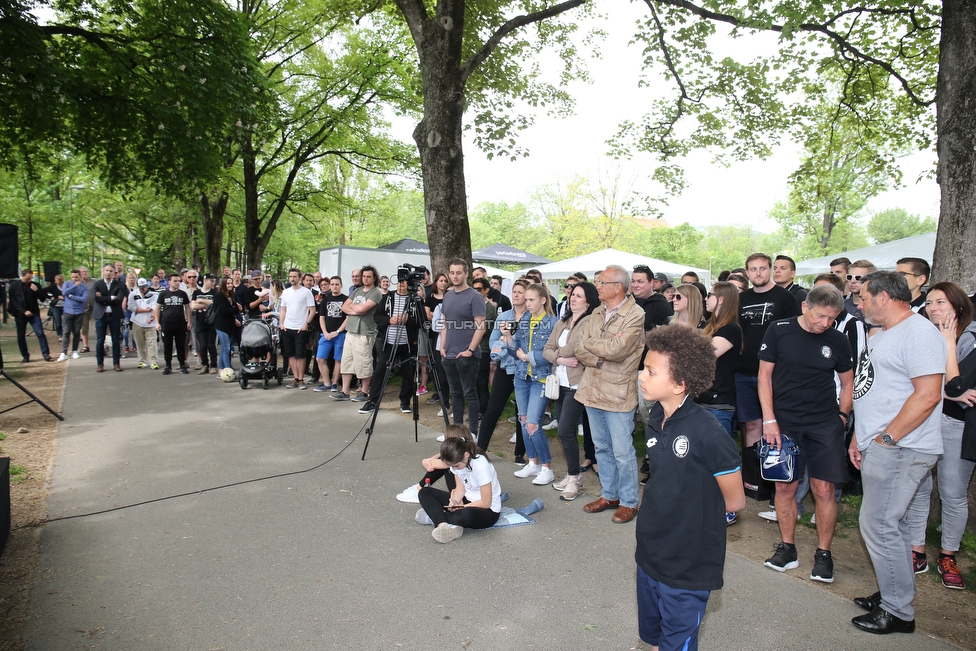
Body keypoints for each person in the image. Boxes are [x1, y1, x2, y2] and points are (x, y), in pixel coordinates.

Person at [636, 325, 745, 651]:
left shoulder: (708, 433)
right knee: (654, 635)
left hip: (687, 563)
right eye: (644, 367)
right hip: (652, 550)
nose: (642, 375)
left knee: (678, 641)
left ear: (680, 383)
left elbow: (735, 500)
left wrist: (691, 518)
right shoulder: (656, 414)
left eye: (651, 371)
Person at [848, 271, 946, 635]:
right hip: (883, 443)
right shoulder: (884, 333)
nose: (859, 304)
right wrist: (859, 436)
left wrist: (886, 439)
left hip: (903, 446)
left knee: (878, 524)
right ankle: (895, 592)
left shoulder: (919, 333)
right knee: (897, 525)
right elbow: (870, 388)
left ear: (884, 297)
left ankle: (899, 612)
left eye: (864, 298)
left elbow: (928, 394)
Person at [757, 285, 854, 583]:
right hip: (784, 423)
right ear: (805, 307)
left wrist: (841, 416)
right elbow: (764, 376)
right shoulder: (779, 330)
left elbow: (848, 383)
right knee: (785, 487)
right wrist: (769, 420)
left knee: (824, 489)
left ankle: (824, 554)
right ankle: (787, 548)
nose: (825, 323)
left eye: (832, 318)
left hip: (824, 423)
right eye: (820, 316)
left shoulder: (838, 340)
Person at [905, 282, 975, 590]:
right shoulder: (921, 334)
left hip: (956, 426)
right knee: (919, 486)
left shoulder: (970, 339)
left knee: (952, 492)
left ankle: (948, 555)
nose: (934, 308)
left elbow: (959, 390)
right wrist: (945, 392)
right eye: (930, 302)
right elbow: (916, 385)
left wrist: (948, 344)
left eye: (941, 302)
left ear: (958, 306)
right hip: (923, 419)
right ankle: (916, 550)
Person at [575, 265, 646, 524]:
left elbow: (618, 349)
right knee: (601, 448)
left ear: (618, 286)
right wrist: (599, 355)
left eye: (603, 282)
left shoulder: (635, 314)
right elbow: (578, 346)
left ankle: (629, 501)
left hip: (618, 392)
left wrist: (595, 346)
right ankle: (610, 495)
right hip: (592, 388)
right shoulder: (596, 311)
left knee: (622, 451)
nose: (598, 287)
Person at [735, 253, 801, 459]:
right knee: (751, 423)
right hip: (744, 372)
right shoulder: (741, 299)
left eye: (762, 268)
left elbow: (794, 336)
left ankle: (777, 469)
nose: (758, 273)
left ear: (770, 269)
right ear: (747, 273)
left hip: (775, 373)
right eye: (753, 269)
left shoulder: (786, 298)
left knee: (774, 422)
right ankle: (754, 477)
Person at [543, 281, 600, 500]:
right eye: (572, 294)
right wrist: (560, 358)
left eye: (578, 295)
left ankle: (574, 479)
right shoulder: (563, 321)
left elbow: (576, 349)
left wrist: (558, 354)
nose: (572, 298)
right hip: (559, 382)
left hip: (577, 384)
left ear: (588, 300)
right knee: (565, 431)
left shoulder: (589, 322)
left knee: (565, 430)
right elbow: (546, 349)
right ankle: (570, 473)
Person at [697, 281, 742, 525]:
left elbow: (703, 355)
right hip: (702, 399)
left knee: (721, 457)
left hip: (719, 401)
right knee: (703, 457)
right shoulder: (710, 325)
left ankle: (729, 506)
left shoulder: (731, 329)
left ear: (722, 299)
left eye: (711, 295)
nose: (706, 298)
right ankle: (709, 502)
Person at [509, 282, 558, 486]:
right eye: (526, 299)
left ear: (543, 300)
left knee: (532, 424)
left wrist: (529, 357)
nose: (527, 303)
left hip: (540, 378)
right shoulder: (525, 319)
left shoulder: (552, 323)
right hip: (522, 376)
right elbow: (515, 348)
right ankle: (533, 462)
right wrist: (508, 340)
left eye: (531, 300)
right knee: (522, 419)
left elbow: (553, 353)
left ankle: (547, 467)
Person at [478, 279, 529, 462]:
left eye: (520, 292)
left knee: (521, 412)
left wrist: (509, 343)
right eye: (514, 291)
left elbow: (527, 346)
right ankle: (480, 449)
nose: (515, 294)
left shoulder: (532, 317)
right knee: (493, 409)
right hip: (505, 368)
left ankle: (519, 454)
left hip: (524, 369)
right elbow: (493, 342)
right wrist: (503, 345)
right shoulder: (503, 316)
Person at [417, 436, 502, 543]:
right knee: (425, 492)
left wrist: (462, 507)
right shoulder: (457, 462)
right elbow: (460, 488)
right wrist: (454, 501)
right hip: (468, 502)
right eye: (452, 466)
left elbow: (486, 503)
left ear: (466, 454)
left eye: (456, 466)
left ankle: (436, 516)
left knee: (464, 515)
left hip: (488, 511)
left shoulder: (481, 465)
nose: (455, 469)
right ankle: (443, 525)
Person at [358, 277, 423, 414]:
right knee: (380, 370)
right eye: (400, 281)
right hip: (389, 342)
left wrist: (409, 320)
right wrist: (389, 320)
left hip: (408, 344)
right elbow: (377, 317)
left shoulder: (415, 299)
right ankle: (372, 401)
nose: (402, 284)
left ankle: (405, 402)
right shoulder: (388, 298)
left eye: (405, 281)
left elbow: (422, 321)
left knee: (408, 373)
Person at [439, 259, 487, 438]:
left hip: (467, 355)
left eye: (459, 272)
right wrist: (442, 346)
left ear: (466, 273)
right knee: (456, 393)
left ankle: (472, 432)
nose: (455, 276)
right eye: (452, 272)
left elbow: (481, 326)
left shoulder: (474, 296)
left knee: (470, 393)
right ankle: (456, 434)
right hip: (448, 354)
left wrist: (470, 350)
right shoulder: (448, 295)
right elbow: (444, 323)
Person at [333, 265, 382, 401]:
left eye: (368, 277)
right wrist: (357, 309)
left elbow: (364, 308)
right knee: (347, 362)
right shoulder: (357, 291)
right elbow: (344, 307)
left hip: (365, 332)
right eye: (364, 276)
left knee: (363, 362)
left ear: (374, 278)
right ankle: (345, 391)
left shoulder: (375, 292)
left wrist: (354, 308)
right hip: (351, 330)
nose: (365, 279)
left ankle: (364, 392)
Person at [397, 423, 473, 503]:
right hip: (465, 493)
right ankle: (420, 487)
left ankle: (419, 489)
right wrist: (429, 459)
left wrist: (425, 461)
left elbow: (437, 463)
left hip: (463, 496)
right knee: (444, 459)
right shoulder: (469, 450)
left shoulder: (458, 458)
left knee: (445, 463)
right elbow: (441, 456)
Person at [278, 268, 316, 388]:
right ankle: (295, 378)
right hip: (287, 327)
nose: (292, 279)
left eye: (295, 277)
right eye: (290, 277)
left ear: (300, 278)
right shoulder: (286, 292)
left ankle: (301, 379)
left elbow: (312, 310)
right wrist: (281, 324)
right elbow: (283, 309)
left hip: (300, 328)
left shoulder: (306, 292)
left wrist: (306, 324)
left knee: (300, 354)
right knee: (290, 354)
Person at [8, 268, 53, 363]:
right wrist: (24, 311)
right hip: (20, 314)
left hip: (34, 313)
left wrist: (36, 291)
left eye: (31, 278)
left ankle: (46, 354)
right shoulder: (14, 286)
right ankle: (25, 356)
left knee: (40, 333)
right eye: (28, 279)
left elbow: (43, 299)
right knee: (21, 335)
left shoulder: (35, 285)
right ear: (23, 276)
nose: (29, 281)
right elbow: (13, 301)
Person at [314, 276, 348, 392]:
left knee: (338, 359)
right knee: (319, 359)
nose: (334, 286)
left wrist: (338, 331)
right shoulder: (325, 300)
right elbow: (321, 318)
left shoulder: (346, 299)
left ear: (341, 285)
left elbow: (348, 318)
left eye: (337, 284)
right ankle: (326, 383)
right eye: (332, 284)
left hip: (340, 334)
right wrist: (325, 333)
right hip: (326, 335)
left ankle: (335, 383)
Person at [92, 263, 128, 371]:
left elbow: (119, 300)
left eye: (110, 271)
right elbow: (96, 299)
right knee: (100, 340)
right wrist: (111, 297)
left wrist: (104, 298)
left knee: (116, 340)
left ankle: (116, 364)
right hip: (101, 315)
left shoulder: (120, 285)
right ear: (103, 272)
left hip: (114, 315)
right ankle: (100, 364)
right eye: (106, 270)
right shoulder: (97, 284)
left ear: (114, 273)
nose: (108, 273)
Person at [154, 273, 191, 375]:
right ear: (169, 282)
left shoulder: (182, 294)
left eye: (179, 281)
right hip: (166, 323)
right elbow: (157, 308)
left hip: (180, 323)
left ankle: (182, 365)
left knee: (181, 345)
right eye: (175, 281)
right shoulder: (163, 294)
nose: (177, 283)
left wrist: (189, 321)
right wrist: (157, 322)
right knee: (167, 345)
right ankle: (168, 366)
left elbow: (187, 307)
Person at [423, 272, 451, 408]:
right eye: (441, 280)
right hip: (435, 335)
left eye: (445, 281)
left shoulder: (449, 297)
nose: (443, 283)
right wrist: (436, 315)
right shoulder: (430, 297)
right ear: (436, 282)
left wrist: (436, 315)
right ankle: (439, 393)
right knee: (436, 365)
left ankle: (449, 397)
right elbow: (427, 315)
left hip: (451, 335)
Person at [471, 278, 497, 416]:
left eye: (479, 289)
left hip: (484, 349)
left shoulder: (490, 308)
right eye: (473, 289)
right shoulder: (471, 304)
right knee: (473, 382)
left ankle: (483, 410)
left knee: (481, 382)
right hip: (471, 348)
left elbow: (483, 328)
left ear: (486, 290)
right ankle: (476, 410)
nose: (476, 292)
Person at [128, 278, 160, 369]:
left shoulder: (154, 294)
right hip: (137, 322)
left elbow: (155, 308)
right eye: (141, 287)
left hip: (150, 323)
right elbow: (132, 307)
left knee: (151, 342)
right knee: (139, 342)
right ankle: (141, 361)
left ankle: (153, 361)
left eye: (145, 287)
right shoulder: (133, 294)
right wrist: (145, 310)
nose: (143, 289)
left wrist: (151, 317)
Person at [58, 270, 88, 361]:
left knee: (76, 332)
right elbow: (64, 293)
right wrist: (75, 286)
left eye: (76, 277)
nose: (75, 279)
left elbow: (83, 299)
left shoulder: (84, 287)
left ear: (80, 277)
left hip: (79, 312)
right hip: (68, 311)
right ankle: (63, 353)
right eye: (73, 277)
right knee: (66, 332)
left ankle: (74, 351)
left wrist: (71, 296)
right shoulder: (67, 284)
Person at [190, 275, 218, 374]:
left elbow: (215, 303)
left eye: (214, 281)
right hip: (200, 322)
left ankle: (214, 365)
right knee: (202, 345)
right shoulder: (196, 292)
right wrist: (208, 303)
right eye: (211, 280)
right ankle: (205, 364)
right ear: (205, 280)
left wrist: (201, 301)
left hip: (211, 322)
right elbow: (193, 306)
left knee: (211, 344)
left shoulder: (215, 292)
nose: (213, 283)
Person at [213, 278, 241, 374]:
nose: (230, 285)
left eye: (231, 283)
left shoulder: (231, 295)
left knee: (227, 348)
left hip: (230, 325)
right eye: (228, 283)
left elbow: (235, 310)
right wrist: (235, 308)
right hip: (221, 325)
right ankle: (228, 370)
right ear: (223, 284)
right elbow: (225, 310)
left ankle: (221, 369)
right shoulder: (219, 296)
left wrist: (234, 313)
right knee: (226, 348)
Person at [78, 266, 95, 353]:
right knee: (84, 328)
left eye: (86, 272)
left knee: (97, 327)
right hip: (82, 309)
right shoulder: (77, 283)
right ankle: (85, 346)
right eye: (82, 272)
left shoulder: (93, 282)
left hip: (94, 308)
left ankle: (103, 345)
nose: (84, 273)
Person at [48, 274, 65, 342]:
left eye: (56, 279)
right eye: (55, 279)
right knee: (58, 322)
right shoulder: (53, 287)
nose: (55, 280)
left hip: (65, 306)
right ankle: (59, 335)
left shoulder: (66, 286)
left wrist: (64, 298)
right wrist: (49, 297)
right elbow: (43, 291)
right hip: (55, 306)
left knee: (67, 321)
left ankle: (68, 334)